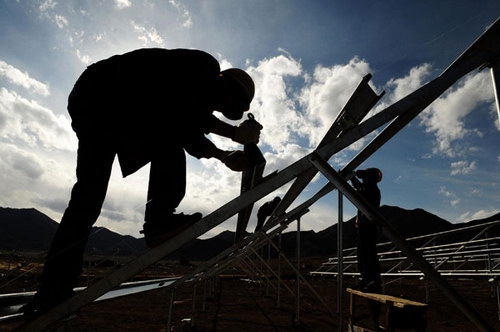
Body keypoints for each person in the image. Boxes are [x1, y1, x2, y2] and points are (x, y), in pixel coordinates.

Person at [21, 48, 262, 315]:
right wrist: (233, 134)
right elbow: (179, 109)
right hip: (105, 93)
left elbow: (187, 130)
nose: (216, 110)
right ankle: (159, 221)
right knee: (164, 142)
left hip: (104, 107)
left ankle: (52, 290)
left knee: (87, 200)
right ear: (226, 86)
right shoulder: (202, 66)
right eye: (224, 105)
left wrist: (224, 154)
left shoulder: (187, 104)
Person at [350, 168, 383, 293]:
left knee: (367, 254)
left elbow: (359, 192)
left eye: (365, 176)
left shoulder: (372, 189)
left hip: (368, 226)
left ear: (370, 178)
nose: (363, 179)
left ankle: (371, 280)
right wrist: (353, 178)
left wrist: (353, 177)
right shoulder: (369, 188)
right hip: (365, 225)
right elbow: (359, 188)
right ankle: (368, 279)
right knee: (363, 253)